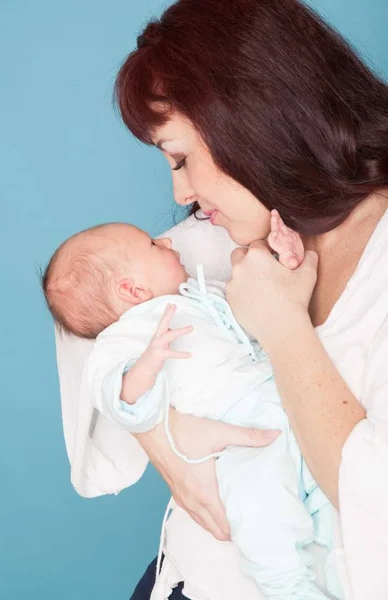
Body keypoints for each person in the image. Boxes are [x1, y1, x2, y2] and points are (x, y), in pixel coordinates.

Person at [55, 0, 388, 598]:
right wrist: (163, 432)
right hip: (183, 578)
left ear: (253, 117)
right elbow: (90, 328)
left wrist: (283, 327)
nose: (178, 190)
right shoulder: (220, 235)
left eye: (180, 157)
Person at [44, 217, 333, 599]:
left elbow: (266, 311)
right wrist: (146, 364)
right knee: (262, 508)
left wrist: (288, 260)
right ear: (132, 289)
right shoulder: (123, 339)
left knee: (329, 502)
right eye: (152, 245)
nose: (165, 241)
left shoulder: (200, 294)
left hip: (280, 407)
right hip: (235, 435)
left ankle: (341, 579)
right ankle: (289, 587)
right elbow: (112, 393)